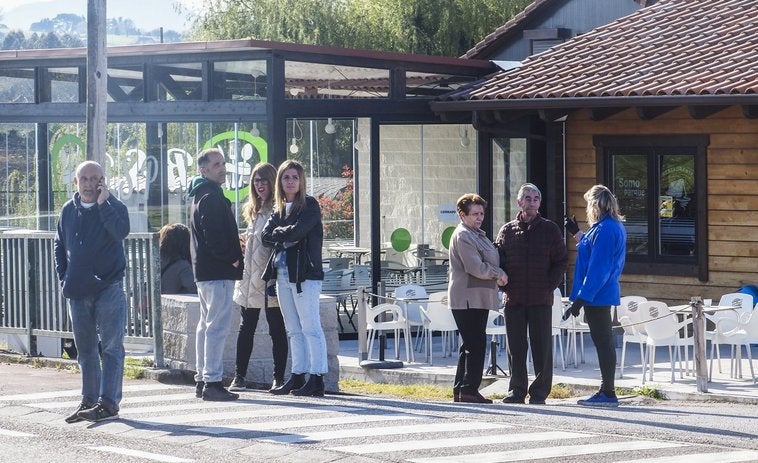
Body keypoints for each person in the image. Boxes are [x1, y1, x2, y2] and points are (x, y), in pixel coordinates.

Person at [54, 160, 130, 423]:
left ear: (102, 181)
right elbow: (59, 245)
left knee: (110, 348)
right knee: (85, 350)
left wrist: (104, 204)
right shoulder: (68, 210)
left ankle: (108, 403)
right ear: (76, 182)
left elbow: (121, 232)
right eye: (84, 179)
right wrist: (64, 278)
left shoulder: (115, 207)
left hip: (108, 287)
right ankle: (88, 400)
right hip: (77, 291)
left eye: (94, 179)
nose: (89, 184)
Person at [495, 183, 568, 405]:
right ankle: (516, 390)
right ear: (519, 202)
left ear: (540, 203)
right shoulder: (507, 230)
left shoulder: (550, 229)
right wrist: (503, 284)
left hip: (541, 299)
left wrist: (549, 285)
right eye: (527, 198)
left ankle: (539, 393)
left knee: (542, 347)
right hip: (514, 299)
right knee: (516, 348)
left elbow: (561, 261)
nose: (532, 202)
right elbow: (498, 260)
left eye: (536, 198)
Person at [262, 159, 327, 397]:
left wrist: (282, 235)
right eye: (286, 177)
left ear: (301, 181)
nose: (290, 181)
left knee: (310, 326)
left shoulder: (309, 205)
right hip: (281, 274)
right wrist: (284, 236)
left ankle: (317, 377)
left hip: (305, 275)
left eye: (294, 177)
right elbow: (264, 236)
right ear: (280, 181)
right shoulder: (279, 210)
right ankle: (298, 374)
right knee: (293, 328)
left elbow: (299, 232)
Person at [188, 148, 244, 402]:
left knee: (206, 325)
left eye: (223, 163)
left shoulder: (202, 195)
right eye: (216, 164)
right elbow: (214, 236)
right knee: (216, 327)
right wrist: (232, 257)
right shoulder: (210, 197)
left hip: (206, 270)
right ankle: (212, 380)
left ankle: (202, 379)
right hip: (217, 270)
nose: (222, 168)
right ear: (204, 170)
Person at [229, 162, 288, 392]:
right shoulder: (252, 211)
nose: (260, 184)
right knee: (246, 328)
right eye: (256, 180)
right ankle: (239, 376)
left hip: (270, 277)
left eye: (264, 180)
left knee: (276, 328)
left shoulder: (277, 210)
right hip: (249, 277)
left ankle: (278, 377)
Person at [566, 184, 626, 407]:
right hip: (600, 293)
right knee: (604, 342)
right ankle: (606, 390)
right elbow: (595, 253)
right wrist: (578, 234)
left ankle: (608, 392)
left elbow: (598, 269)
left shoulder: (605, 229)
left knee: (603, 343)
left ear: (595, 204)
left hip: (598, 295)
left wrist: (581, 298)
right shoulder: (609, 227)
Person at [447, 193, 508, 404]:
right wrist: (498, 273)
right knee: (476, 344)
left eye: (482, 213)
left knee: (469, 344)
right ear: (462, 215)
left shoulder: (477, 234)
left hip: (477, 297)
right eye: (474, 214)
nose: (479, 217)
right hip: (467, 297)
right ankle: (469, 389)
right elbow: (475, 267)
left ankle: (461, 390)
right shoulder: (463, 235)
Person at [159, 223, 197, 294]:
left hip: (154, 300)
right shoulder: (183, 266)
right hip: (170, 302)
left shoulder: (156, 260)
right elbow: (194, 290)